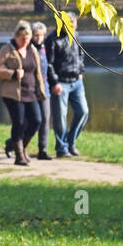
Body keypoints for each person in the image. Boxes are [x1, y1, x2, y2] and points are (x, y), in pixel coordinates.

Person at [0, 20, 44, 166]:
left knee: (36, 121)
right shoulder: (7, 49)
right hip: (13, 93)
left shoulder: (32, 49)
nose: (25, 41)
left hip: (31, 92)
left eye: (27, 39)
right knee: (19, 123)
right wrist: (12, 73)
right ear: (16, 36)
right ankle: (19, 155)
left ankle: (14, 144)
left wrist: (40, 88)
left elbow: (37, 71)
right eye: (22, 38)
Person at [47, 11, 89, 156]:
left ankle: (70, 142)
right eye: (68, 23)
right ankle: (61, 148)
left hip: (77, 81)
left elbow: (81, 55)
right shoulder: (52, 39)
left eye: (73, 23)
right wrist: (54, 82)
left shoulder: (76, 36)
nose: (72, 26)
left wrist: (81, 71)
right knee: (60, 118)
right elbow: (49, 64)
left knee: (83, 112)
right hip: (61, 83)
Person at [29, 21, 53, 160]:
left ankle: (42, 150)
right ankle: (14, 145)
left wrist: (54, 83)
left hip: (44, 89)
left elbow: (48, 67)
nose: (38, 38)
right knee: (31, 121)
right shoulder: (28, 49)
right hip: (30, 89)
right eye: (36, 35)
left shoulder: (44, 49)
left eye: (41, 35)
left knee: (45, 119)